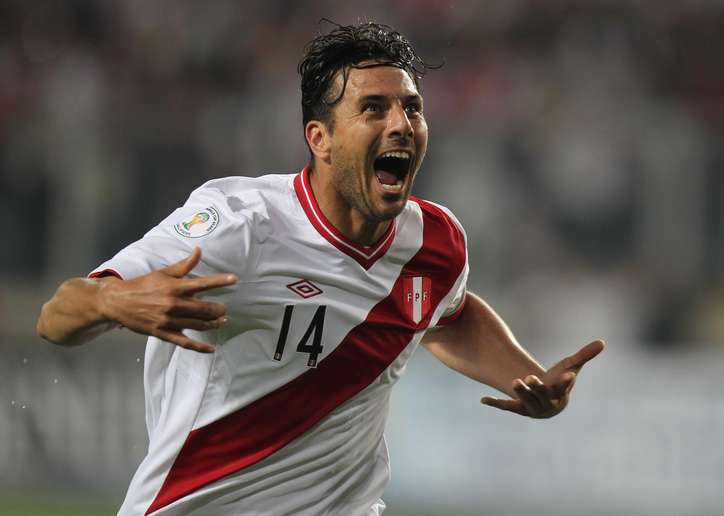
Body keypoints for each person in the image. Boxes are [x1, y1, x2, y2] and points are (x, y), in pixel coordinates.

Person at [37, 21, 604, 516]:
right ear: (320, 138)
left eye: (411, 106)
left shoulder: (434, 243)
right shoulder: (239, 227)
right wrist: (114, 302)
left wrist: (526, 377)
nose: (401, 123)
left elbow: (448, 314)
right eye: (374, 108)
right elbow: (59, 315)